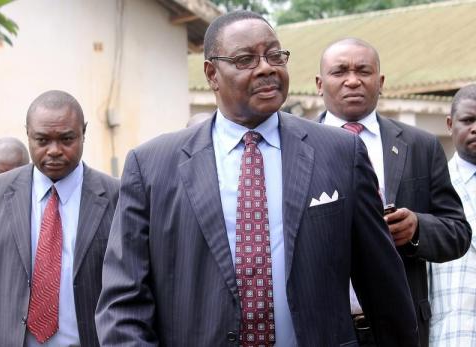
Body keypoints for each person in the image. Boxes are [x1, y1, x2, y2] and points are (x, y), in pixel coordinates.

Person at [96, 11, 419, 346]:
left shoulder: (340, 153)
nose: (266, 67)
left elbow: (385, 289)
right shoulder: (151, 167)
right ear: (212, 73)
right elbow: (124, 304)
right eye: (245, 59)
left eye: (275, 55)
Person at [315, 38, 471, 347]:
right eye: (339, 72)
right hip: (322, 329)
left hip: (400, 328)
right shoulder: (295, 147)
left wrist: (416, 229)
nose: (352, 80)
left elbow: (458, 233)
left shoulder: (420, 146)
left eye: (363, 71)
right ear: (320, 84)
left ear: (381, 81)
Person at [0, 90, 119, 347]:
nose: (54, 151)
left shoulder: (117, 198)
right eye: (42, 140)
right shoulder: (0, 194)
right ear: (27, 134)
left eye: (66, 139)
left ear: (83, 133)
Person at [429, 84, 476, 346]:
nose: (475, 128)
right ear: (450, 124)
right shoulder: (430, 187)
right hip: (450, 333)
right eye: (468, 120)